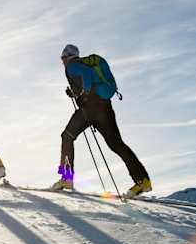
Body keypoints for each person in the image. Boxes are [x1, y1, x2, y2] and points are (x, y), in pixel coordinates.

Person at [52, 44, 151, 196]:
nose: (62, 62)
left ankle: (67, 178)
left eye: (62, 58)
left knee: (67, 136)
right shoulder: (82, 64)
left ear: (66, 57)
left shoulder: (72, 66)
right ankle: (143, 181)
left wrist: (84, 94)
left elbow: (86, 74)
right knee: (117, 144)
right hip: (104, 108)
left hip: (89, 109)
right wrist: (76, 93)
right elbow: (87, 77)